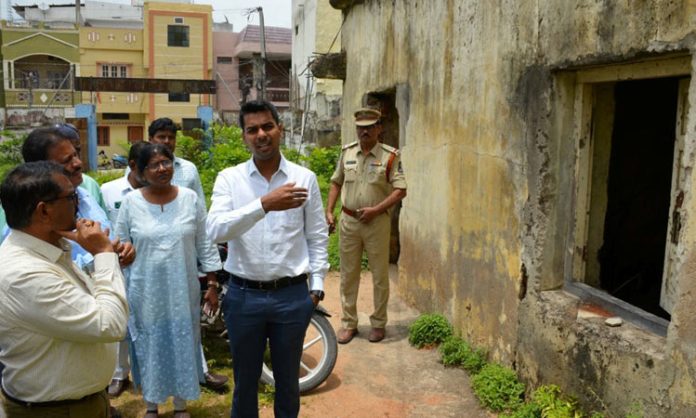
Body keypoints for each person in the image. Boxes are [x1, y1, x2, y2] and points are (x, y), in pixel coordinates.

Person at [207, 100, 329, 418]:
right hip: (243, 296)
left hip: (292, 297)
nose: (261, 134)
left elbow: (317, 236)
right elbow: (215, 229)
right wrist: (264, 204)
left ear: (280, 128)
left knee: (288, 384)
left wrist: (315, 288)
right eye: (252, 129)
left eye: (267, 126)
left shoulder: (305, 179)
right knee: (245, 383)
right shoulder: (229, 179)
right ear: (244, 137)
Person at [0, 161, 128, 418]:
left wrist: (106, 258)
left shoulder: (49, 251)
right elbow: (110, 324)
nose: (79, 202)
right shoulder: (23, 273)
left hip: (80, 403)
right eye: (71, 197)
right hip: (57, 410)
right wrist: (104, 254)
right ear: (44, 211)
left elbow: (87, 303)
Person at [115, 143, 221, 418]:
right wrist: (123, 255)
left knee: (182, 341)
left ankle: (180, 405)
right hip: (145, 291)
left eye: (167, 162)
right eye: (154, 164)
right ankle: (151, 405)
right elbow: (120, 245)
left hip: (182, 289)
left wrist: (212, 284)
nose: (162, 169)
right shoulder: (130, 203)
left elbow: (205, 242)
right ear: (138, 170)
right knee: (149, 344)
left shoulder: (189, 198)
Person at [148, 117, 229, 389]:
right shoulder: (142, 168)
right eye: (161, 137)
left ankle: (199, 371)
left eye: (171, 137)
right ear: (151, 139)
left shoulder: (189, 170)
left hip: (186, 251)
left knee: (190, 315)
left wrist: (208, 265)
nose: (167, 141)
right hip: (154, 256)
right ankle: (154, 377)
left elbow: (201, 215)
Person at [326, 108, 407, 344]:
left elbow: (401, 189)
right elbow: (335, 182)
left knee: (380, 275)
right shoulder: (347, 153)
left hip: (376, 223)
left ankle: (379, 323)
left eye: (370, 126)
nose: (364, 131)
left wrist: (376, 210)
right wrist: (329, 210)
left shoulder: (390, 156)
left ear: (379, 128)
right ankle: (349, 323)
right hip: (349, 222)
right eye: (361, 127)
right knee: (348, 274)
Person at [18, 126, 136, 272]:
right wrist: (103, 255)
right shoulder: (29, 216)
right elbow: (37, 272)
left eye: (76, 154)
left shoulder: (86, 195)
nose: (78, 163)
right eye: (67, 160)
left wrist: (121, 252)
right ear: (41, 169)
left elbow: (108, 243)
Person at [100, 141, 148, 398]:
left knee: (146, 319)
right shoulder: (108, 190)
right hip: (116, 265)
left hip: (148, 266)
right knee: (119, 319)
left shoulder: (155, 193)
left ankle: (148, 371)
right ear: (132, 166)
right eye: (147, 167)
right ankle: (119, 374)